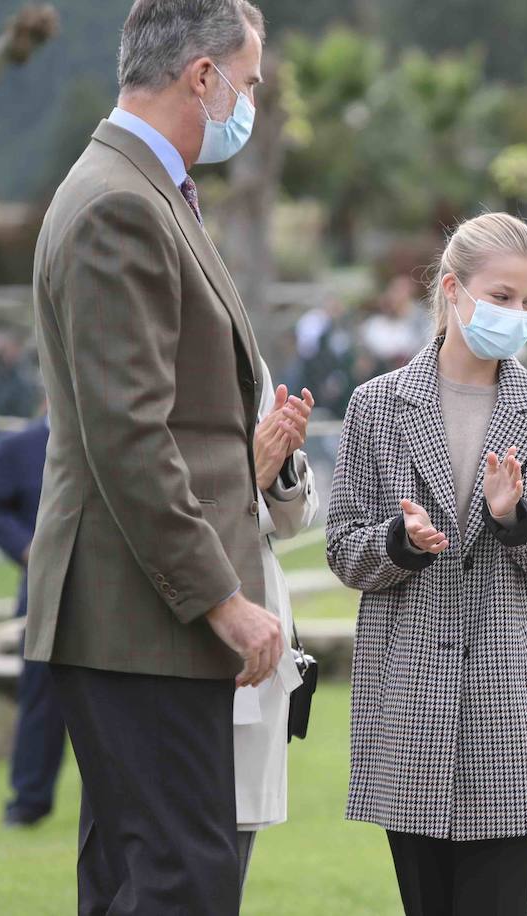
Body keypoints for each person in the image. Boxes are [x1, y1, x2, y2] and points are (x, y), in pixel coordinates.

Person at [24, 2, 284, 911]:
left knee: (138, 876)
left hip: (139, 616)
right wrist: (222, 600)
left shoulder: (142, 189)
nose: (250, 105)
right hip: (141, 618)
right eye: (246, 84)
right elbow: (131, 436)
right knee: (184, 879)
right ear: (201, 77)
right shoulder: (117, 206)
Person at [326, 213, 527, 916]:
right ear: (452, 289)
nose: (518, 314)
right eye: (502, 296)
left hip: (509, 701)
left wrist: (517, 521)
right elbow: (344, 548)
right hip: (408, 701)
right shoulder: (375, 408)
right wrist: (400, 541)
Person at [235, 360, 318, 894]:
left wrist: (281, 459)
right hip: (183, 639)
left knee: (228, 860)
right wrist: (252, 473)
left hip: (260, 637)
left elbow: (292, 519)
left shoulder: (247, 359)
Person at [0, 409, 66, 828]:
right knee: (41, 693)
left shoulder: (109, 441)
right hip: (42, 593)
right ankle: (29, 800)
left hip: (114, 594)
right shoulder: (19, 448)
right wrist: (26, 550)